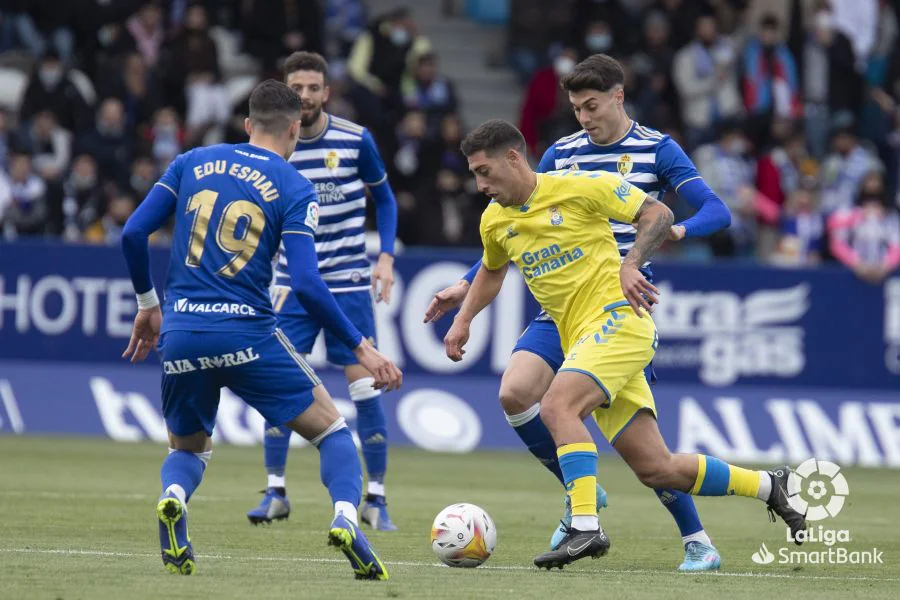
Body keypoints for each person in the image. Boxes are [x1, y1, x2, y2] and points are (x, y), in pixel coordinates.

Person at [443, 119, 806, 570]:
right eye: (474, 174)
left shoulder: (583, 186)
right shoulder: (495, 221)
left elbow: (658, 214)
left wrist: (631, 262)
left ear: (514, 158)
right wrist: (462, 321)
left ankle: (584, 524)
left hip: (620, 320)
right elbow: (492, 272)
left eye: (484, 171)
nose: (479, 184)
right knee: (658, 467)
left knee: (558, 406)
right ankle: (770, 486)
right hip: (580, 336)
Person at [424, 54, 732, 572]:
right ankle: (581, 495)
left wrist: (670, 234)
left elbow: (716, 211)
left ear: (618, 96)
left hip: (622, 297)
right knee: (515, 392)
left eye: (592, 106)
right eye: (576, 109)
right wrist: (465, 283)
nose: (584, 118)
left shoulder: (658, 148)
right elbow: (515, 215)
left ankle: (695, 538)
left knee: (642, 446)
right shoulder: (562, 153)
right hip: (562, 302)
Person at [119, 79, 401, 579]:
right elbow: (309, 286)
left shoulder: (190, 162)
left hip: (181, 332)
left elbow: (134, 232)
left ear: (248, 124)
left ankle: (173, 497)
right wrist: (363, 345)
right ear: (295, 129)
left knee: (187, 450)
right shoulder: (296, 186)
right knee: (333, 431)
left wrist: (147, 305)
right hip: (247, 332)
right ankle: (344, 519)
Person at [246, 52, 400, 532]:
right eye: (298, 88)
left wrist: (387, 257)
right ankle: (275, 491)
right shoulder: (271, 147)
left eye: (314, 88)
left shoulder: (356, 140)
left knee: (364, 387)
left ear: (326, 92)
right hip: (292, 287)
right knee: (278, 386)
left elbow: (386, 198)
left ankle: (376, 499)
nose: (307, 97)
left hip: (349, 283)